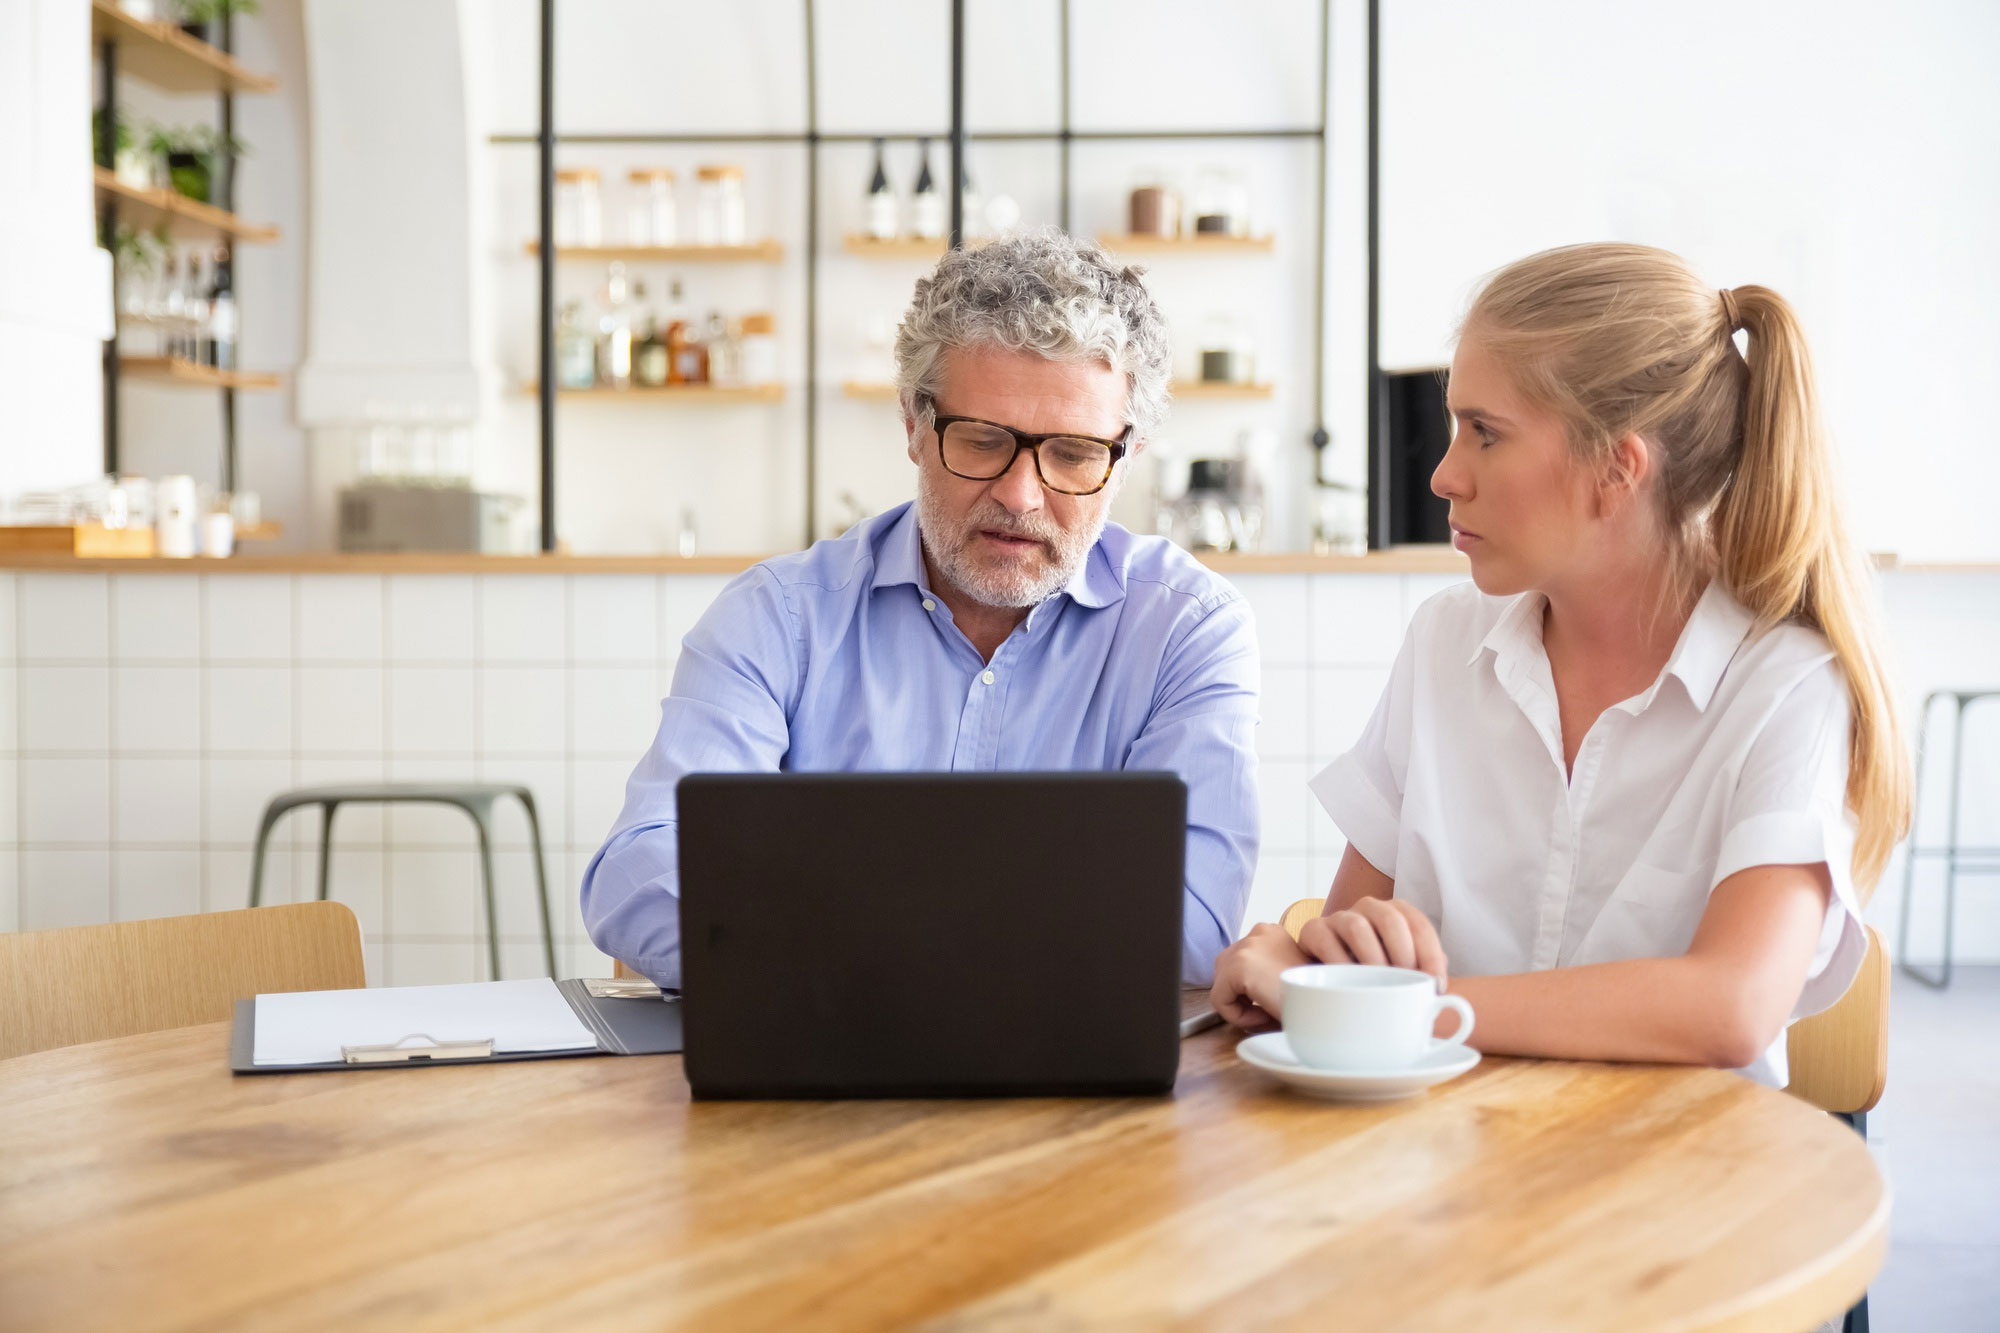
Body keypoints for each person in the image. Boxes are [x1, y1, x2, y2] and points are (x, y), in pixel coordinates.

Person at [1212, 242, 1909, 1086]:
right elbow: (1349, 943)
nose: (1442, 474)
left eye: (1485, 433)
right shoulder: (1443, 644)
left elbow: (1731, 1006)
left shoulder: (1786, 687)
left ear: (1616, 469)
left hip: (1682, 1184)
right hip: (1452, 1164)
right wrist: (1309, 959)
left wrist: (1393, 1007)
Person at [584, 230, 1260, 988]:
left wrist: (828, 931)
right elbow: (640, 867)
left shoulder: (1186, 630)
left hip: (1077, 1089)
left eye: (1072, 454)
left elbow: (1195, 924)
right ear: (913, 424)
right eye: (981, 441)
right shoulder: (776, 620)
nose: (1020, 494)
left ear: (1124, 460)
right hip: (822, 1077)